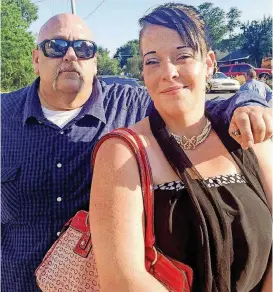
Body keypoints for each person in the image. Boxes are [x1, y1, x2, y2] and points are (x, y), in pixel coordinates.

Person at [1, 13, 272, 292]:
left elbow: (193, 109)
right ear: (36, 59)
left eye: (83, 48)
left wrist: (249, 101)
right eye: (55, 46)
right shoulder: (2, 116)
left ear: (94, 62)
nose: (70, 55)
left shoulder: (130, 104)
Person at [90, 4, 272, 292]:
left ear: (209, 63)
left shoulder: (248, 136)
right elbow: (122, 280)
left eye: (182, 56)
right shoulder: (122, 154)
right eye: (152, 61)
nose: (168, 72)